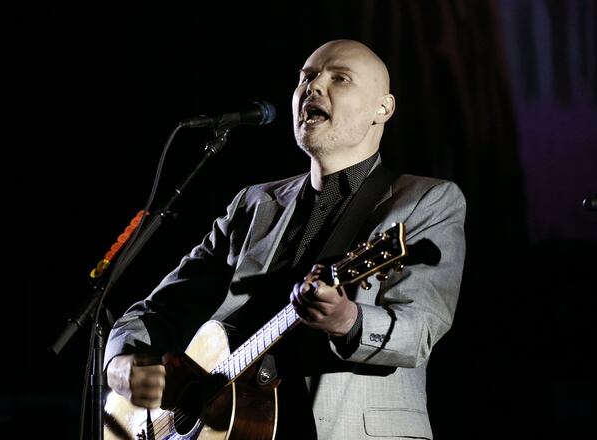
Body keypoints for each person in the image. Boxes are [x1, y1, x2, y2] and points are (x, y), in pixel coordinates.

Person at [103, 39, 466, 439]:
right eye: (306, 77)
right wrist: (121, 364)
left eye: (340, 78)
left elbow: (420, 329)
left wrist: (348, 320)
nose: (313, 87)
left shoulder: (425, 200)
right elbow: (157, 311)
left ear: (383, 108)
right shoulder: (253, 205)